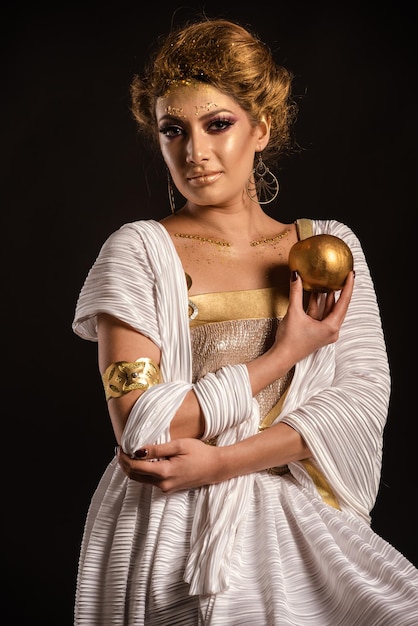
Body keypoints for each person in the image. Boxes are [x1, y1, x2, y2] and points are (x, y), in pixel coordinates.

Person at [72, 16, 418, 626]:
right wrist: (285, 354)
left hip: (301, 527)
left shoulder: (328, 247)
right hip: (169, 529)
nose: (194, 151)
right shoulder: (136, 253)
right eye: (172, 130)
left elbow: (360, 404)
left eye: (218, 124)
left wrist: (225, 461)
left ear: (260, 129)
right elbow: (143, 426)